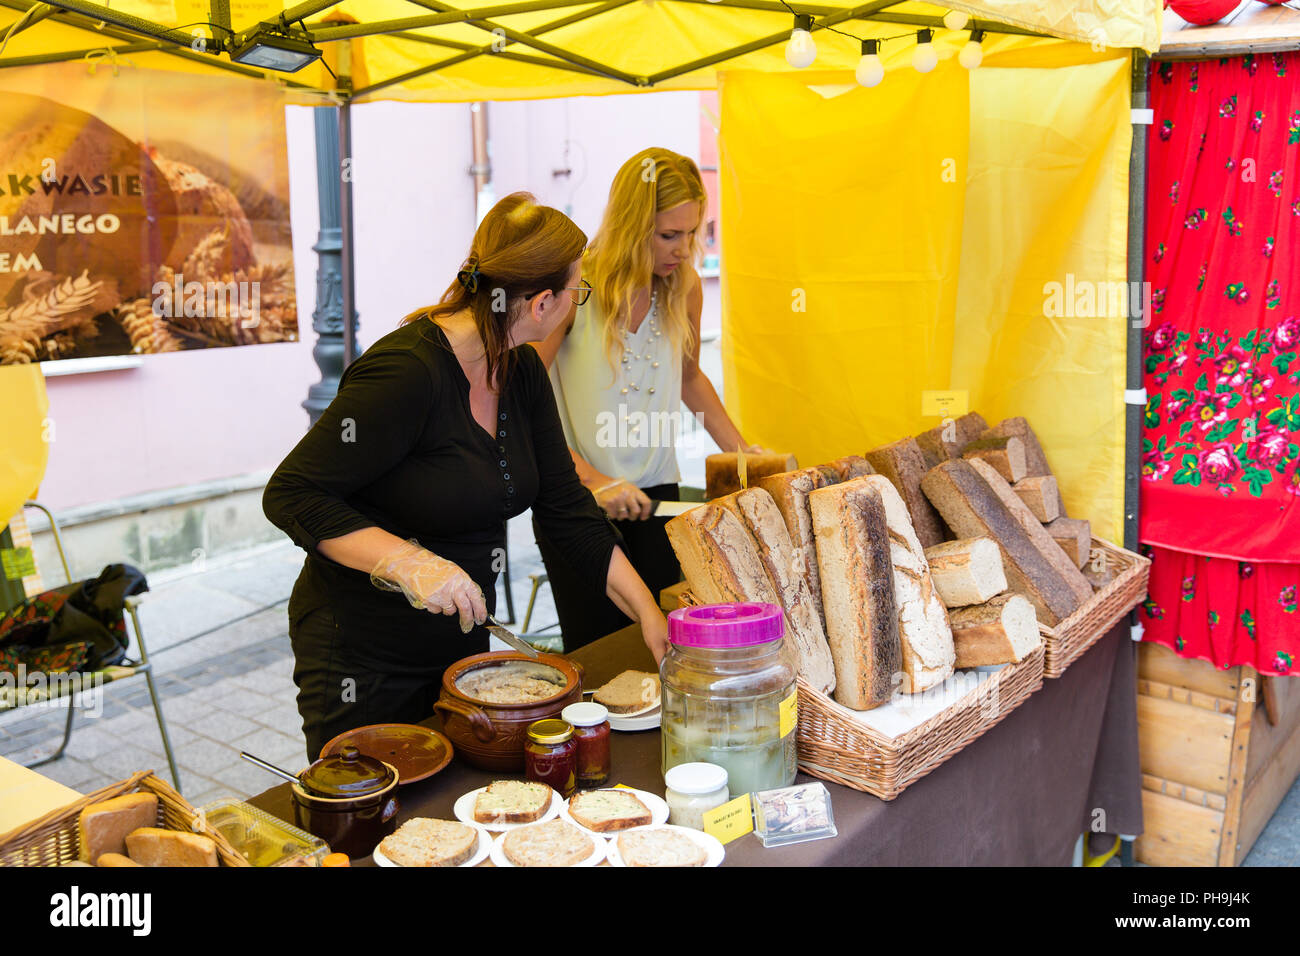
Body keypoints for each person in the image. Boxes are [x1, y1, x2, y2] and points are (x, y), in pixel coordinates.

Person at [263, 192, 669, 759]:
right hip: (362, 656)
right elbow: (292, 493)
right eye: (578, 291)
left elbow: (567, 509)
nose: (578, 304)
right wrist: (410, 563)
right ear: (543, 303)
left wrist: (650, 612)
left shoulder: (521, 370)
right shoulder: (405, 372)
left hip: (460, 650)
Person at [532, 148, 763, 649]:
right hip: (577, 498)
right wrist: (591, 479)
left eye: (691, 233)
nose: (684, 250)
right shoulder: (575, 288)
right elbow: (524, 396)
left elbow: (688, 376)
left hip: (662, 492)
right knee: (601, 653)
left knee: (667, 646)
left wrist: (744, 455)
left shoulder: (684, 289)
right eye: (669, 235)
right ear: (633, 226)